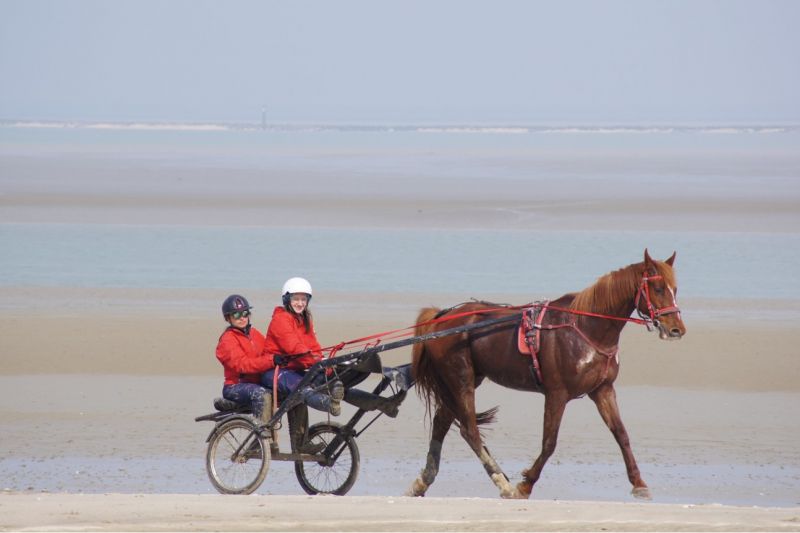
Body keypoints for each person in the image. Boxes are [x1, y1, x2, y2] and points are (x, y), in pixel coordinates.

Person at [261, 277, 343, 454]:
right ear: (287, 300)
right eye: (296, 299)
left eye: (304, 299)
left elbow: (313, 346)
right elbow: (295, 348)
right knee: (301, 388)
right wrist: (315, 361)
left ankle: (301, 444)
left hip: (295, 368)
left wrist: (324, 363)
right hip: (274, 371)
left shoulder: (305, 318)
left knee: (331, 375)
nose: (300, 303)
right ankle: (329, 404)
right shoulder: (280, 320)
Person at [215, 294, 274, 428]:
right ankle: (259, 442)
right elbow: (243, 365)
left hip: (258, 382)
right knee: (262, 394)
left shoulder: (255, 333)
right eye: (236, 315)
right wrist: (271, 361)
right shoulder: (227, 340)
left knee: (295, 394)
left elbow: (268, 352)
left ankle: (299, 443)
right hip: (235, 386)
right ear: (228, 318)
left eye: (245, 313)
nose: (242, 318)